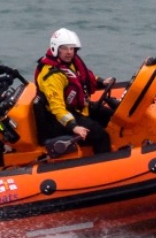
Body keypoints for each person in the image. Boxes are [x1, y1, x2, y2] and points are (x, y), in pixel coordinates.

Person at [33, 27, 115, 155]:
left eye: (72, 48)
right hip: (59, 119)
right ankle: (105, 167)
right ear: (56, 48)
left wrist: (101, 82)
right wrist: (74, 127)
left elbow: (81, 78)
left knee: (110, 116)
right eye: (65, 48)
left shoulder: (68, 63)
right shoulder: (52, 76)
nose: (69, 52)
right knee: (100, 135)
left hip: (76, 108)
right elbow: (58, 109)